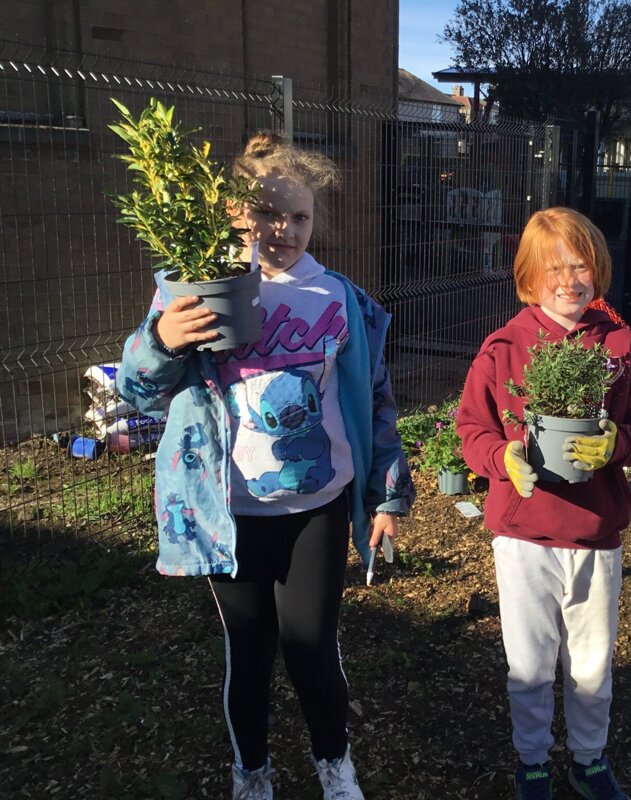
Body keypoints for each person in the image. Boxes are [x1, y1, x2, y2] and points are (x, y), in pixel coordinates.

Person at [117, 132, 415, 800]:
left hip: (317, 507)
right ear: (234, 216)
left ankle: (333, 764)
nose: (283, 229)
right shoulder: (196, 291)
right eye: (268, 214)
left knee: (313, 647)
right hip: (231, 513)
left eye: (299, 216)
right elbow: (137, 391)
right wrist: (163, 340)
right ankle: (252, 772)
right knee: (248, 654)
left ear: (316, 220)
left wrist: (388, 494)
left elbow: (375, 404)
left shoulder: (341, 301)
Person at [457, 207, 631, 800]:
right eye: (555, 269)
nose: (570, 281)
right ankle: (533, 762)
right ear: (528, 277)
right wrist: (503, 460)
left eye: (582, 266)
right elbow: (472, 428)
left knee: (593, 660)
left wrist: (618, 445)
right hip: (524, 534)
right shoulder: (505, 347)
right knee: (529, 660)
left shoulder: (620, 345)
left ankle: (589, 759)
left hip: (596, 530)